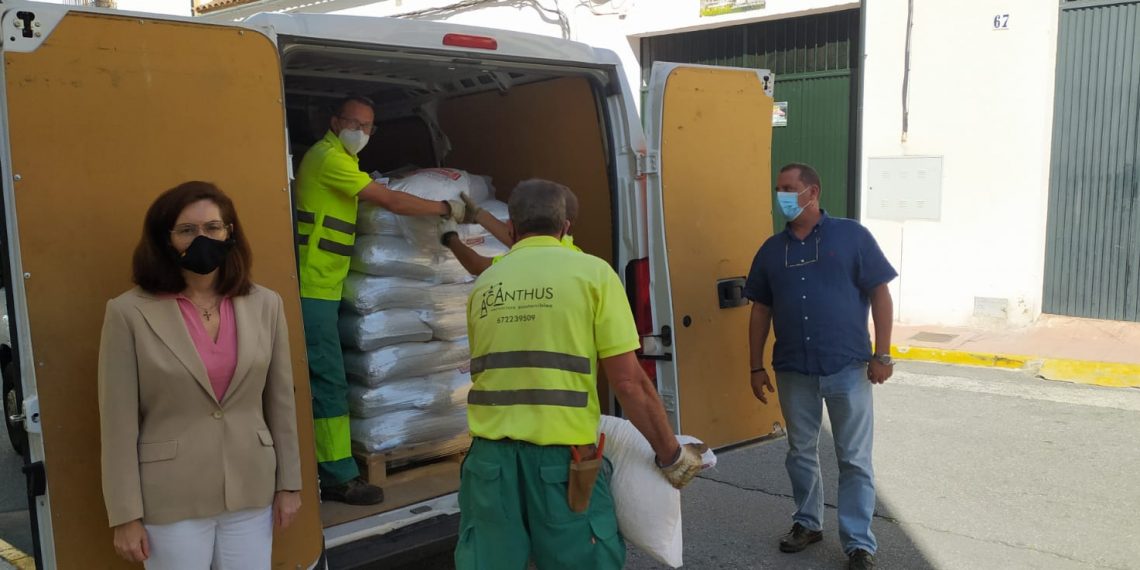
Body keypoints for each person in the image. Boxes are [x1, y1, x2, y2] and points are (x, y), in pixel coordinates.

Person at [454, 179, 704, 569]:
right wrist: (671, 455)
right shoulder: (592, 275)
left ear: (513, 228)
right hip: (561, 463)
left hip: (489, 465)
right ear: (566, 227)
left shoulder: (485, 284)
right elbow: (628, 382)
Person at [99, 181, 303, 569]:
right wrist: (125, 515)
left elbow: (280, 402)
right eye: (187, 230)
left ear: (230, 232)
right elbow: (118, 422)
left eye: (213, 227)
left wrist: (289, 484)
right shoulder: (129, 313)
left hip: (251, 488)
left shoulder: (265, 304)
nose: (202, 238)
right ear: (166, 239)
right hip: (171, 498)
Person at [294, 95, 475, 505]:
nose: (360, 132)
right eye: (353, 123)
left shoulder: (341, 158)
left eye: (368, 127)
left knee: (330, 375)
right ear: (334, 120)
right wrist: (449, 206)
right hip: (314, 285)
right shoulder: (328, 158)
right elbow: (391, 201)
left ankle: (332, 465)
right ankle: (338, 474)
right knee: (328, 380)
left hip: (330, 283)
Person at [744, 163, 897, 570]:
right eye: (778, 189)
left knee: (854, 459)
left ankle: (859, 544)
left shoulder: (852, 237)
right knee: (800, 452)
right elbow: (760, 308)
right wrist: (754, 366)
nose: (783, 196)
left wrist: (882, 354)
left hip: (847, 367)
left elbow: (880, 294)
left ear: (813, 192)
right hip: (794, 369)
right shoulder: (771, 250)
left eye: (790, 188)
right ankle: (807, 522)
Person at [441, 186, 583, 276]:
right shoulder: (570, 248)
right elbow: (518, 239)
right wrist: (479, 214)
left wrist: (450, 237)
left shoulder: (528, 260)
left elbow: (477, 265)